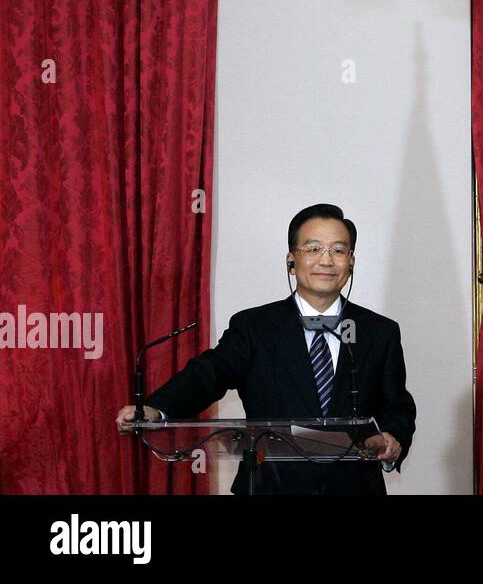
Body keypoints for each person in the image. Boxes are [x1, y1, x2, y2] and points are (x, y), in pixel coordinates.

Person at [116, 204, 417, 494]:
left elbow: (397, 405)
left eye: (338, 250)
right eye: (312, 249)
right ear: (291, 260)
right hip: (271, 486)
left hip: (355, 488)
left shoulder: (380, 332)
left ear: (350, 262)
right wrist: (157, 408)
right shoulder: (255, 326)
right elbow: (210, 373)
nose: (326, 261)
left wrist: (392, 439)